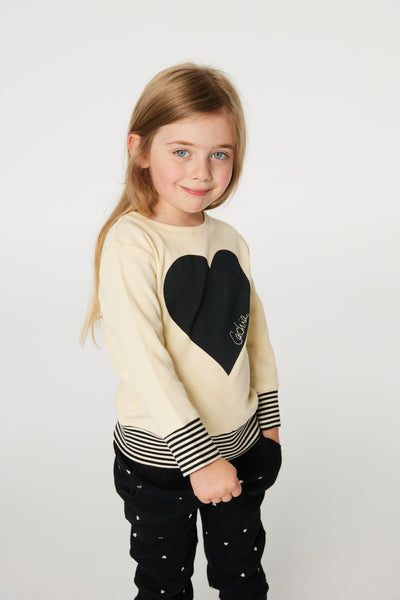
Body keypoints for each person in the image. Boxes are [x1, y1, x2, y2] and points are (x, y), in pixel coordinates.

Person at [80, 62, 282, 600]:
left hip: (239, 444)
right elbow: (145, 361)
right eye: (182, 151)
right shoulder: (132, 242)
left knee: (242, 571)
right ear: (140, 150)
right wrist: (201, 459)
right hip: (163, 460)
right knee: (164, 582)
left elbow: (253, 336)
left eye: (220, 154)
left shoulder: (229, 239)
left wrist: (269, 422)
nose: (202, 172)